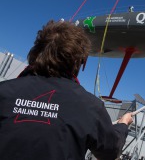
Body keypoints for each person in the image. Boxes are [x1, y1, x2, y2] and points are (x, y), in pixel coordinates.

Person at [0, 20, 133, 160]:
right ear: (78, 61)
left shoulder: (4, 91)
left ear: (36, 53)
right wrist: (123, 125)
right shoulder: (89, 107)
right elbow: (110, 151)